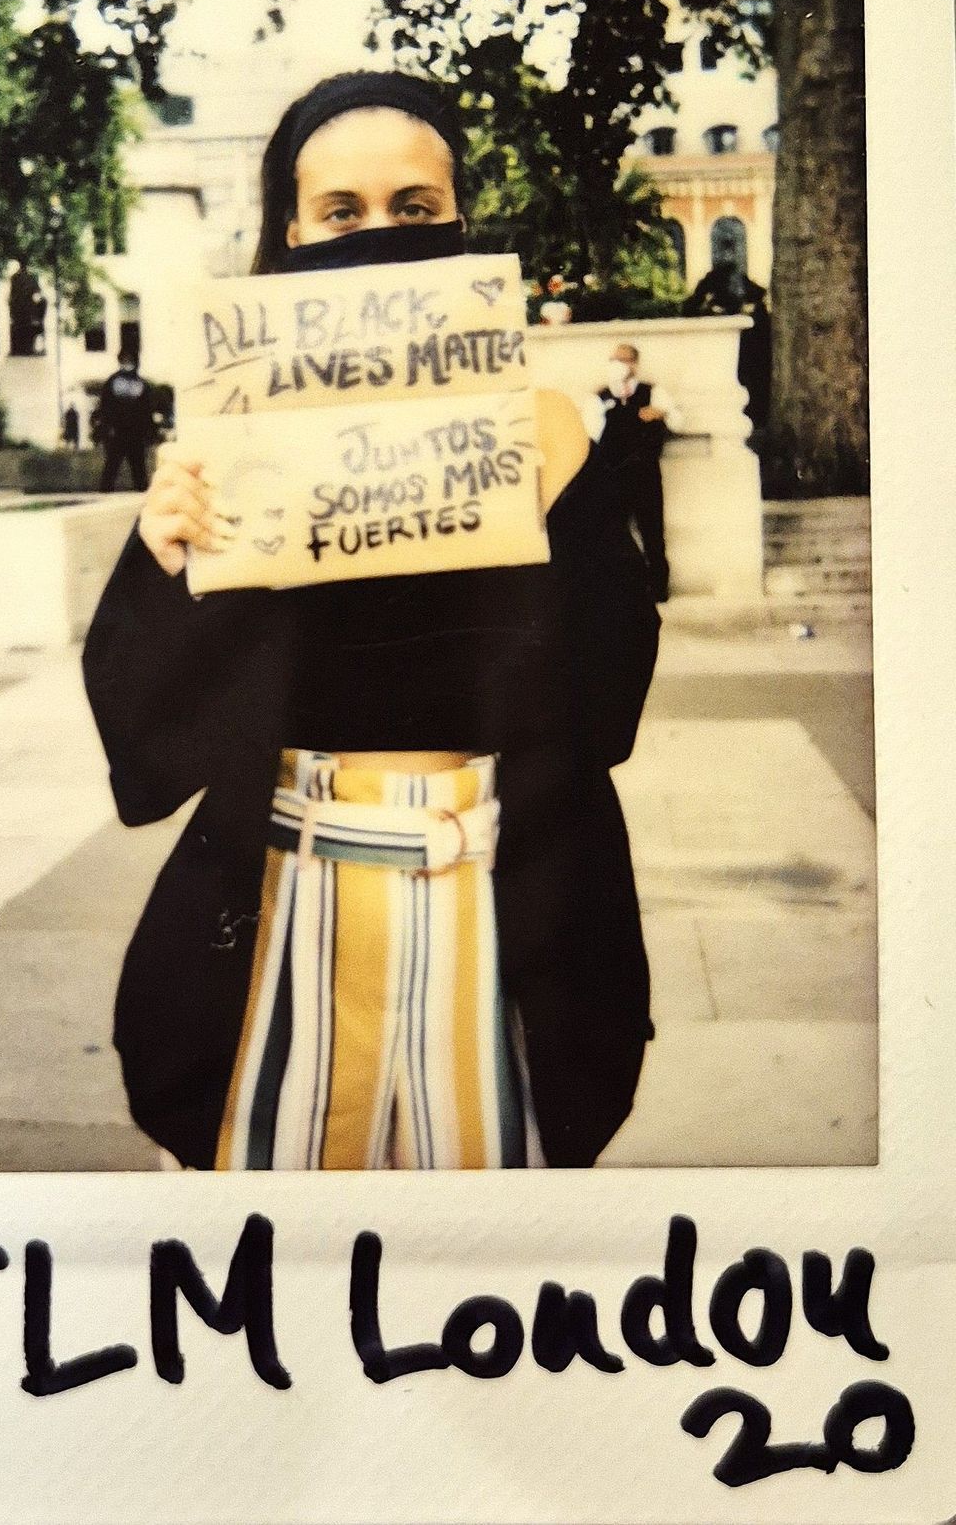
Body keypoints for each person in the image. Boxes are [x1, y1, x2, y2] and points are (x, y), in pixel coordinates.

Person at [82, 71, 660, 1171]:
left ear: (458, 223)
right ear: (291, 228)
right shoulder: (228, 433)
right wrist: (168, 561)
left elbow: (610, 708)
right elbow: (145, 753)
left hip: (500, 907)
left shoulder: (538, 428)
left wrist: (567, 492)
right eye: (342, 212)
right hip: (282, 902)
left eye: (413, 209)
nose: (377, 232)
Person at [582, 343, 682, 604]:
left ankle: (658, 589)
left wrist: (663, 413)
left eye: (624, 360)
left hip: (645, 473)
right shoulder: (599, 397)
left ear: (634, 364)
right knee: (611, 533)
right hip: (612, 474)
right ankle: (616, 588)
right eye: (614, 359)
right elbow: (590, 435)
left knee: (652, 532)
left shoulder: (653, 392)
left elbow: (678, 420)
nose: (618, 364)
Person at [684, 243, 772, 435]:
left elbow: (758, 299)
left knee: (752, 378)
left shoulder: (743, 282)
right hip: (720, 345)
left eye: (731, 252)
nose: (728, 257)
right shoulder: (711, 281)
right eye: (724, 252)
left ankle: (756, 417)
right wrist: (712, 311)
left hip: (750, 343)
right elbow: (691, 308)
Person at [96, 352, 156, 492]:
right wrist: (107, 428)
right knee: (115, 464)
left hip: (131, 432)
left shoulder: (137, 384)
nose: (128, 363)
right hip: (120, 432)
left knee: (136, 465)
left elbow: (147, 411)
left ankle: (139, 489)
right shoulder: (118, 382)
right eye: (126, 360)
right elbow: (105, 408)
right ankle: (106, 490)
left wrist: (148, 432)